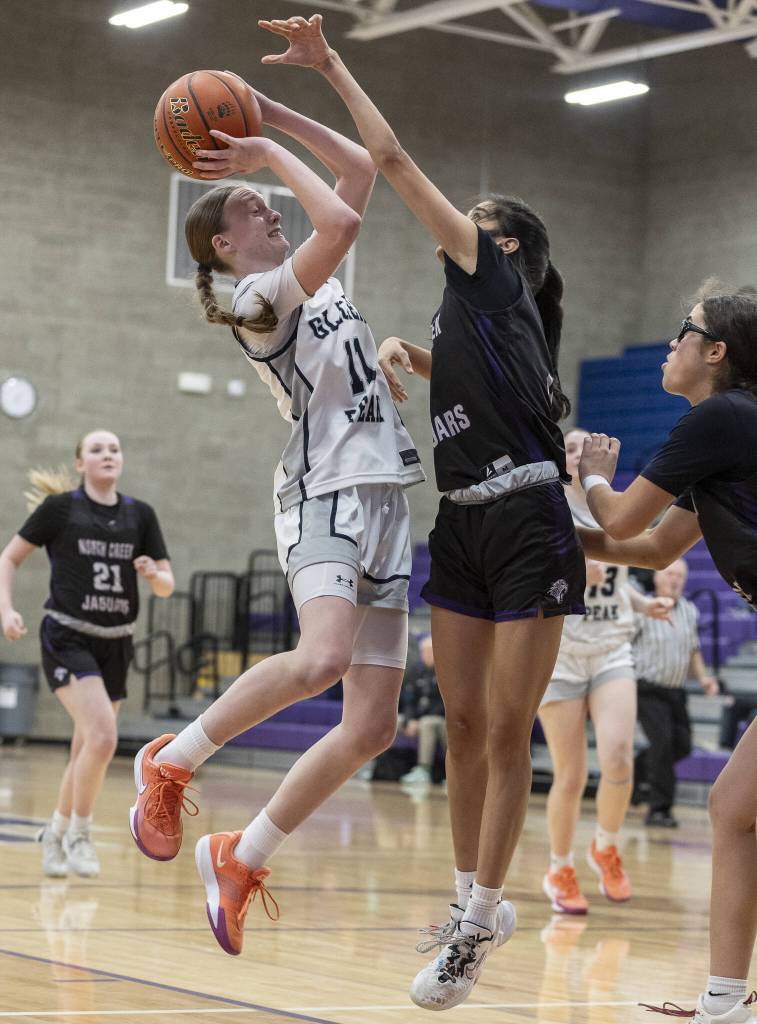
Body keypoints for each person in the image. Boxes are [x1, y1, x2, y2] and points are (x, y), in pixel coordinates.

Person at [257, 15, 586, 1008]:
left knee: (507, 724)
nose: (456, 217)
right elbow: (491, 393)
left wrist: (326, 67)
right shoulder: (475, 314)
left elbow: (391, 160)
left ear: (506, 240)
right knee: (462, 716)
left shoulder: (489, 277)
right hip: (464, 523)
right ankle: (464, 901)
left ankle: (481, 918)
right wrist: (415, 352)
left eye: (476, 212)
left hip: (528, 519)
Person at [128, 89, 426, 958]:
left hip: (383, 497)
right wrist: (258, 153)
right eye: (258, 209)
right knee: (321, 659)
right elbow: (339, 216)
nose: (273, 209)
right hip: (323, 491)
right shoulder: (254, 300)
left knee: (373, 726)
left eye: (267, 202)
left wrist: (271, 115)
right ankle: (173, 759)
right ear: (226, 245)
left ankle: (241, 854)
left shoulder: (312, 281)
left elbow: (360, 169)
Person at [574, 289, 757, 1024]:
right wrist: (555, 538)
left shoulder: (720, 417)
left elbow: (617, 514)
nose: (668, 346)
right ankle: (722, 1003)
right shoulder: (725, 430)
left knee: (734, 809)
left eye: (682, 333)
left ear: (715, 352)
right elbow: (649, 546)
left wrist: (588, 470)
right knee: (732, 808)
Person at [0, 430, 173, 878]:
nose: (108, 454)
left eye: (114, 448)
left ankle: (54, 832)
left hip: (116, 642)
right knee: (102, 737)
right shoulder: (61, 509)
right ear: (80, 463)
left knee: (85, 748)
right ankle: (80, 832)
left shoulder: (141, 515)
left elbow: (167, 585)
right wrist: (6, 610)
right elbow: (9, 559)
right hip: (68, 637)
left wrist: (154, 573)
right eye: (96, 449)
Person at [539, 427, 674, 915]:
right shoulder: (548, 505)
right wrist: (575, 570)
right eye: (571, 447)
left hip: (612, 647)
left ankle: (606, 846)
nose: (580, 453)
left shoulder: (613, 505)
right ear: (561, 457)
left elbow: (615, 580)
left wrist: (642, 603)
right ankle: (559, 867)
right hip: (561, 651)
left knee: (619, 758)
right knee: (570, 775)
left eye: (583, 446)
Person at [633, 559, 719, 829]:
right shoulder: (642, 608)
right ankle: (659, 810)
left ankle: (638, 769)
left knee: (682, 745)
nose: (675, 580)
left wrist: (704, 678)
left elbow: (693, 649)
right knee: (663, 744)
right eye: (670, 574)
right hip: (646, 688)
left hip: (676, 691)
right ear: (657, 578)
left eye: (681, 575)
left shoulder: (689, 611)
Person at [399, 634, 447, 786]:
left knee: (427, 723)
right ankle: (377, 766)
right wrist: (410, 720)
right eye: (424, 652)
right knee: (392, 721)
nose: (427, 655)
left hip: (439, 718)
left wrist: (419, 721)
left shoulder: (445, 672)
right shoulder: (416, 671)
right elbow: (409, 700)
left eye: (430, 651)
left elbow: (443, 703)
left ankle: (423, 770)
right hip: (418, 719)